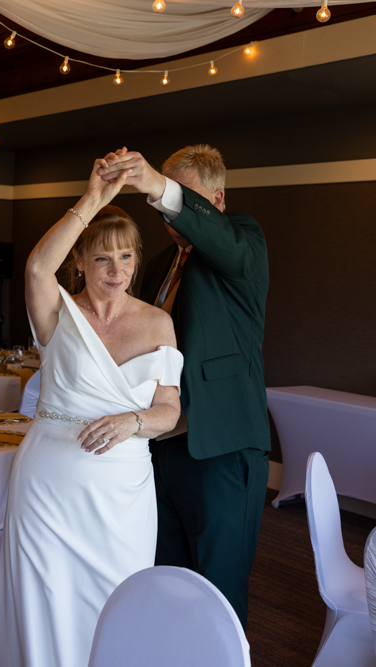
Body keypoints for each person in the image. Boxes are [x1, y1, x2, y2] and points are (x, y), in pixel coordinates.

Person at [0, 159, 184, 667]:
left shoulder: (158, 323)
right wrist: (94, 198)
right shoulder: (57, 312)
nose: (117, 270)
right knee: (42, 604)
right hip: (48, 487)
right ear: (79, 260)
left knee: (116, 603)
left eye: (126, 257)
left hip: (123, 492)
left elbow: (169, 411)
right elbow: (36, 268)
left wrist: (132, 422)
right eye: (102, 258)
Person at [97, 144, 270, 629]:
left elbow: (219, 240)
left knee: (218, 593)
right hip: (159, 449)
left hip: (221, 447)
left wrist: (156, 183)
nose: (167, 211)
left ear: (216, 200)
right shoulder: (157, 267)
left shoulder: (243, 242)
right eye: (161, 200)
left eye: (179, 197)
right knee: (164, 583)